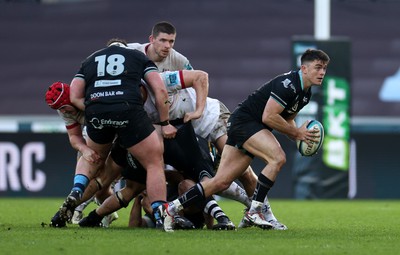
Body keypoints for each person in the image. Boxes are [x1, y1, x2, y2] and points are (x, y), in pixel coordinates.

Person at [128, 21, 286, 229]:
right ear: (151, 40)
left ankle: (263, 213)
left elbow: (199, 79)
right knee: (201, 177)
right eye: (163, 40)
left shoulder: (177, 61)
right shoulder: (133, 53)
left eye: (171, 41)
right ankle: (241, 212)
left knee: (241, 170)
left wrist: (199, 110)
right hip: (181, 127)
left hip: (210, 120)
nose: (167, 46)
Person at [158, 49, 330, 232]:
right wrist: (297, 134)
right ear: (304, 68)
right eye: (318, 68)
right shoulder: (288, 85)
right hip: (245, 123)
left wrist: (300, 138)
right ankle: (254, 212)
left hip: (247, 125)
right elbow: (269, 116)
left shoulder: (305, 93)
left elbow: (287, 120)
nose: (322, 73)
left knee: (221, 181)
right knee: (277, 158)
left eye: (324, 69)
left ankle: (171, 208)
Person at [56, 38, 176, 230]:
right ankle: (161, 212)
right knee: (154, 162)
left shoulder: (89, 60)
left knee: (92, 157)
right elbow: (160, 89)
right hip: (129, 111)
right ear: (124, 46)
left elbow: (75, 96)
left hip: (97, 111)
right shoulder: (138, 56)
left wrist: (96, 109)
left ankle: (76, 191)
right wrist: (165, 123)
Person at [79, 122, 236, 230]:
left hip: (189, 195)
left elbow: (182, 179)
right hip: (153, 137)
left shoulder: (189, 147)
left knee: (188, 184)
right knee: (136, 190)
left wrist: (162, 176)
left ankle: (224, 217)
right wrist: (140, 198)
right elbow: (135, 225)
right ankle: (90, 215)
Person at [45, 81, 118, 227]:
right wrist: (85, 150)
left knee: (101, 180)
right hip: (94, 133)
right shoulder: (63, 109)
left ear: (71, 99)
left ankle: (75, 208)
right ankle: (105, 213)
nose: (64, 112)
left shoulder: (91, 99)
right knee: (91, 179)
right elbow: (74, 137)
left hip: (118, 131)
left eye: (64, 107)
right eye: (60, 109)